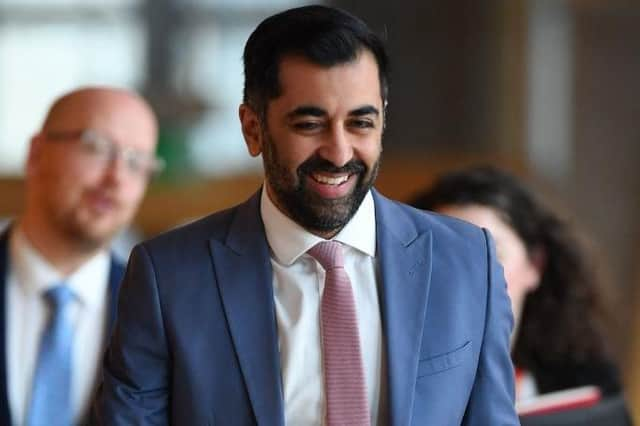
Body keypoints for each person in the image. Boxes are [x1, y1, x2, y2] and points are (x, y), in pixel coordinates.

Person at [96, 6, 518, 425]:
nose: (338, 153)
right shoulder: (167, 277)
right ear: (253, 128)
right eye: (310, 124)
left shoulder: (467, 261)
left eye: (361, 123)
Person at [0, 87, 160, 426]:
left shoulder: (162, 314)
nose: (116, 177)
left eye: (137, 162)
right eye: (96, 148)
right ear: (36, 154)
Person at [409, 166, 624, 401]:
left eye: (489, 254)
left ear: (535, 265)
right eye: (444, 255)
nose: (464, 276)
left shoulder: (585, 385)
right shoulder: (393, 374)